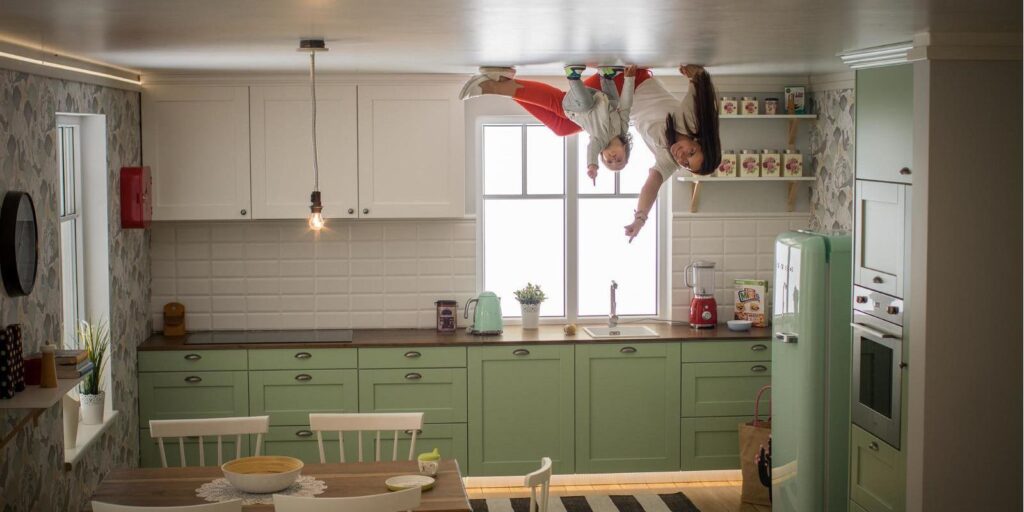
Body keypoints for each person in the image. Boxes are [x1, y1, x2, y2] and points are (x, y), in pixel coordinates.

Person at [460, 65, 635, 182]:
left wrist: (592, 166)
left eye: (609, 162)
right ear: (626, 150)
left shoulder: (600, 140)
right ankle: (497, 85)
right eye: (619, 159)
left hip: (592, 105)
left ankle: (505, 86)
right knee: (561, 110)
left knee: (562, 126)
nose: (613, 159)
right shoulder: (621, 128)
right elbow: (625, 105)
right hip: (612, 90)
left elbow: (592, 149)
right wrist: (630, 79)